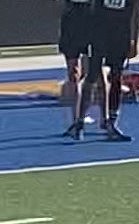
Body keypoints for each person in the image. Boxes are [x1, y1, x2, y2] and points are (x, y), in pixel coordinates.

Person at [70, 0, 139, 141]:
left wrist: (136, 39)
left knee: (116, 75)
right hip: (98, 30)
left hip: (120, 32)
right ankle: (79, 122)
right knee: (92, 74)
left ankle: (111, 122)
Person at [57, 0, 94, 136]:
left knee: (94, 72)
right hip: (72, 16)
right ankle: (76, 121)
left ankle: (106, 119)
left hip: (91, 15)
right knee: (74, 74)